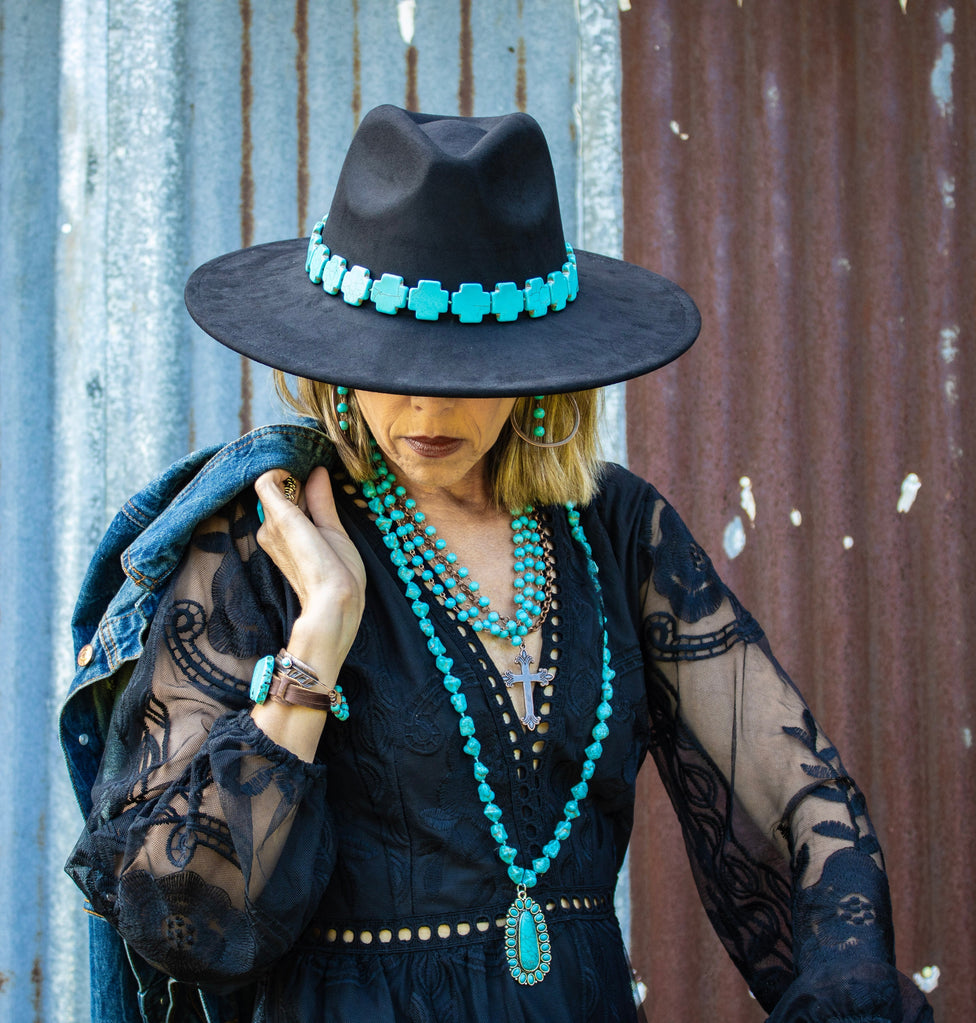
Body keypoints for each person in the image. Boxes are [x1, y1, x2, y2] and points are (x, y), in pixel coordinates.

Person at [61, 105, 933, 1023]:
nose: (423, 403)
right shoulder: (264, 540)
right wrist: (318, 635)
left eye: (468, 367)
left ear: (537, 366)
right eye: (390, 358)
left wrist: (849, 990)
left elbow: (797, 794)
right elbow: (184, 913)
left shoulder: (619, 531)